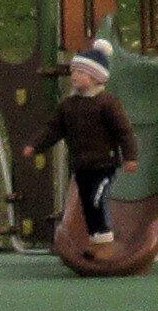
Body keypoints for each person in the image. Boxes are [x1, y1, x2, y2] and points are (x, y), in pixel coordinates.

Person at [51, 42, 136, 257]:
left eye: (80, 72)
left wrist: (130, 156)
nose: (75, 76)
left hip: (104, 164)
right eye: (73, 72)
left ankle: (105, 238)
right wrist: (36, 145)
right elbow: (55, 129)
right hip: (82, 166)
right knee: (88, 203)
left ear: (96, 77)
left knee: (98, 199)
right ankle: (95, 239)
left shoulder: (107, 103)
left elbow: (123, 131)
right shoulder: (70, 105)